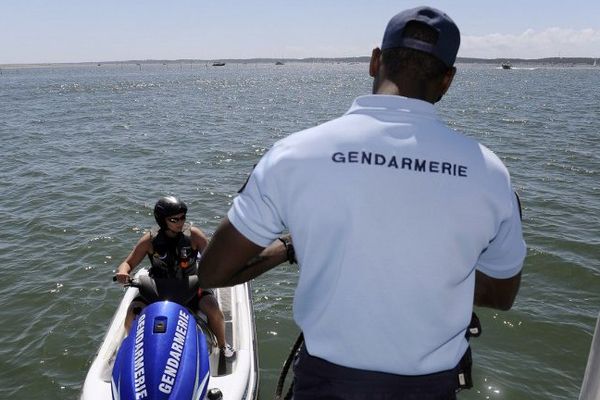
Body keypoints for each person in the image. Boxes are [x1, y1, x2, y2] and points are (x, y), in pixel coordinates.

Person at [197, 6, 526, 399]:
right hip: (432, 388)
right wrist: (426, 274)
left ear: (375, 61)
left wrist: (289, 248)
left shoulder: (295, 155)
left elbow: (215, 271)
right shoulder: (491, 173)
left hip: (327, 385)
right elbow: (502, 294)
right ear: (447, 80)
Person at [115, 196, 235, 359]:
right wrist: (123, 272)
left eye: (183, 217)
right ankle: (131, 347)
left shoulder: (194, 234)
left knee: (212, 308)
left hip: (191, 286)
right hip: (157, 288)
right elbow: (127, 263)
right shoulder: (149, 240)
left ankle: (222, 345)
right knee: (133, 311)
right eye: (174, 219)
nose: (180, 222)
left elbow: (212, 258)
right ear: (162, 220)